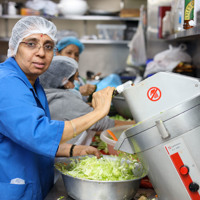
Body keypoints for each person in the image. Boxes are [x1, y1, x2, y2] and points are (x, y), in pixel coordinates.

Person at [0, 16, 115, 200]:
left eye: (48, 46)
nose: (41, 53)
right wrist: (98, 113)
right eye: (31, 44)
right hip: (13, 188)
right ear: (15, 47)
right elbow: (39, 133)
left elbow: (25, 138)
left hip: (33, 184)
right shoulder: (6, 82)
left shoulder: (32, 83)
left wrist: (71, 150)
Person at [39, 55, 135, 144]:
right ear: (66, 82)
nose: (78, 82)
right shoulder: (65, 100)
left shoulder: (47, 94)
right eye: (76, 78)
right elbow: (105, 124)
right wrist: (138, 123)